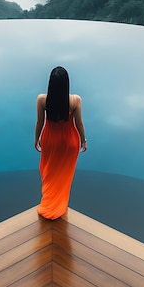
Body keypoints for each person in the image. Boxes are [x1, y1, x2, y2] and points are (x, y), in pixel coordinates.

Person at [34, 66, 87, 219]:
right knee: (64, 175)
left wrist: (36, 139)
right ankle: (60, 206)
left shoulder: (42, 100)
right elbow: (79, 124)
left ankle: (49, 204)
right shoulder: (75, 100)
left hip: (50, 140)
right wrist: (83, 140)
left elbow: (39, 122)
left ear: (50, 83)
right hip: (69, 142)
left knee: (48, 172)